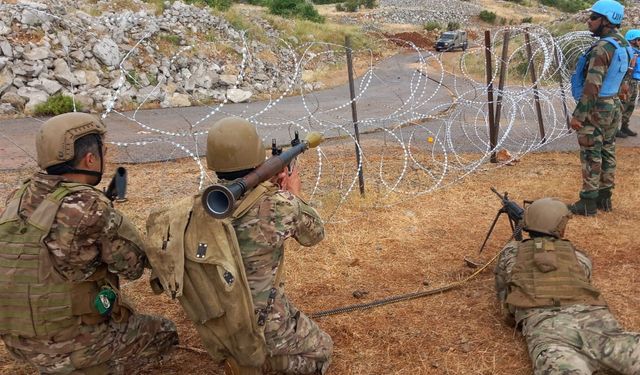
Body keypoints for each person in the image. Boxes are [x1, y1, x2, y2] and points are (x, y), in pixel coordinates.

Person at [145, 117, 332, 375]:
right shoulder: (281, 206)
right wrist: (292, 193)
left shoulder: (198, 208)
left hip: (223, 326)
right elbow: (314, 235)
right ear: (257, 157)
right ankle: (260, 365)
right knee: (322, 351)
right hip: (265, 327)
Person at [0, 112, 178, 374]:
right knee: (165, 333)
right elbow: (134, 266)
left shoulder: (18, 195)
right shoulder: (91, 207)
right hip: (73, 349)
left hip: (19, 340)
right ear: (91, 158)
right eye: (104, 151)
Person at [494, 197, 640, 375]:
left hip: (552, 336)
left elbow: (505, 298)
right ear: (561, 228)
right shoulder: (578, 256)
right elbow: (582, 280)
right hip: (601, 328)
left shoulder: (511, 253)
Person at [569, 0, 631, 216]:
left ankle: (587, 202)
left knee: (591, 153)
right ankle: (605, 198)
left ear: (607, 21)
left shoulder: (603, 47)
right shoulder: (623, 44)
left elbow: (592, 85)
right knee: (607, 149)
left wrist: (579, 115)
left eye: (594, 18)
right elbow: (624, 76)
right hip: (613, 104)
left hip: (596, 107)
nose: (589, 21)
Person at [617, 29, 640, 138]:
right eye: (638, 39)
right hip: (627, 80)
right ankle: (614, 129)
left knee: (630, 104)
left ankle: (624, 126)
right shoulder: (627, 51)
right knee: (622, 104)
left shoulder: (637, 52)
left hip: (634, 81)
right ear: (632, 40)